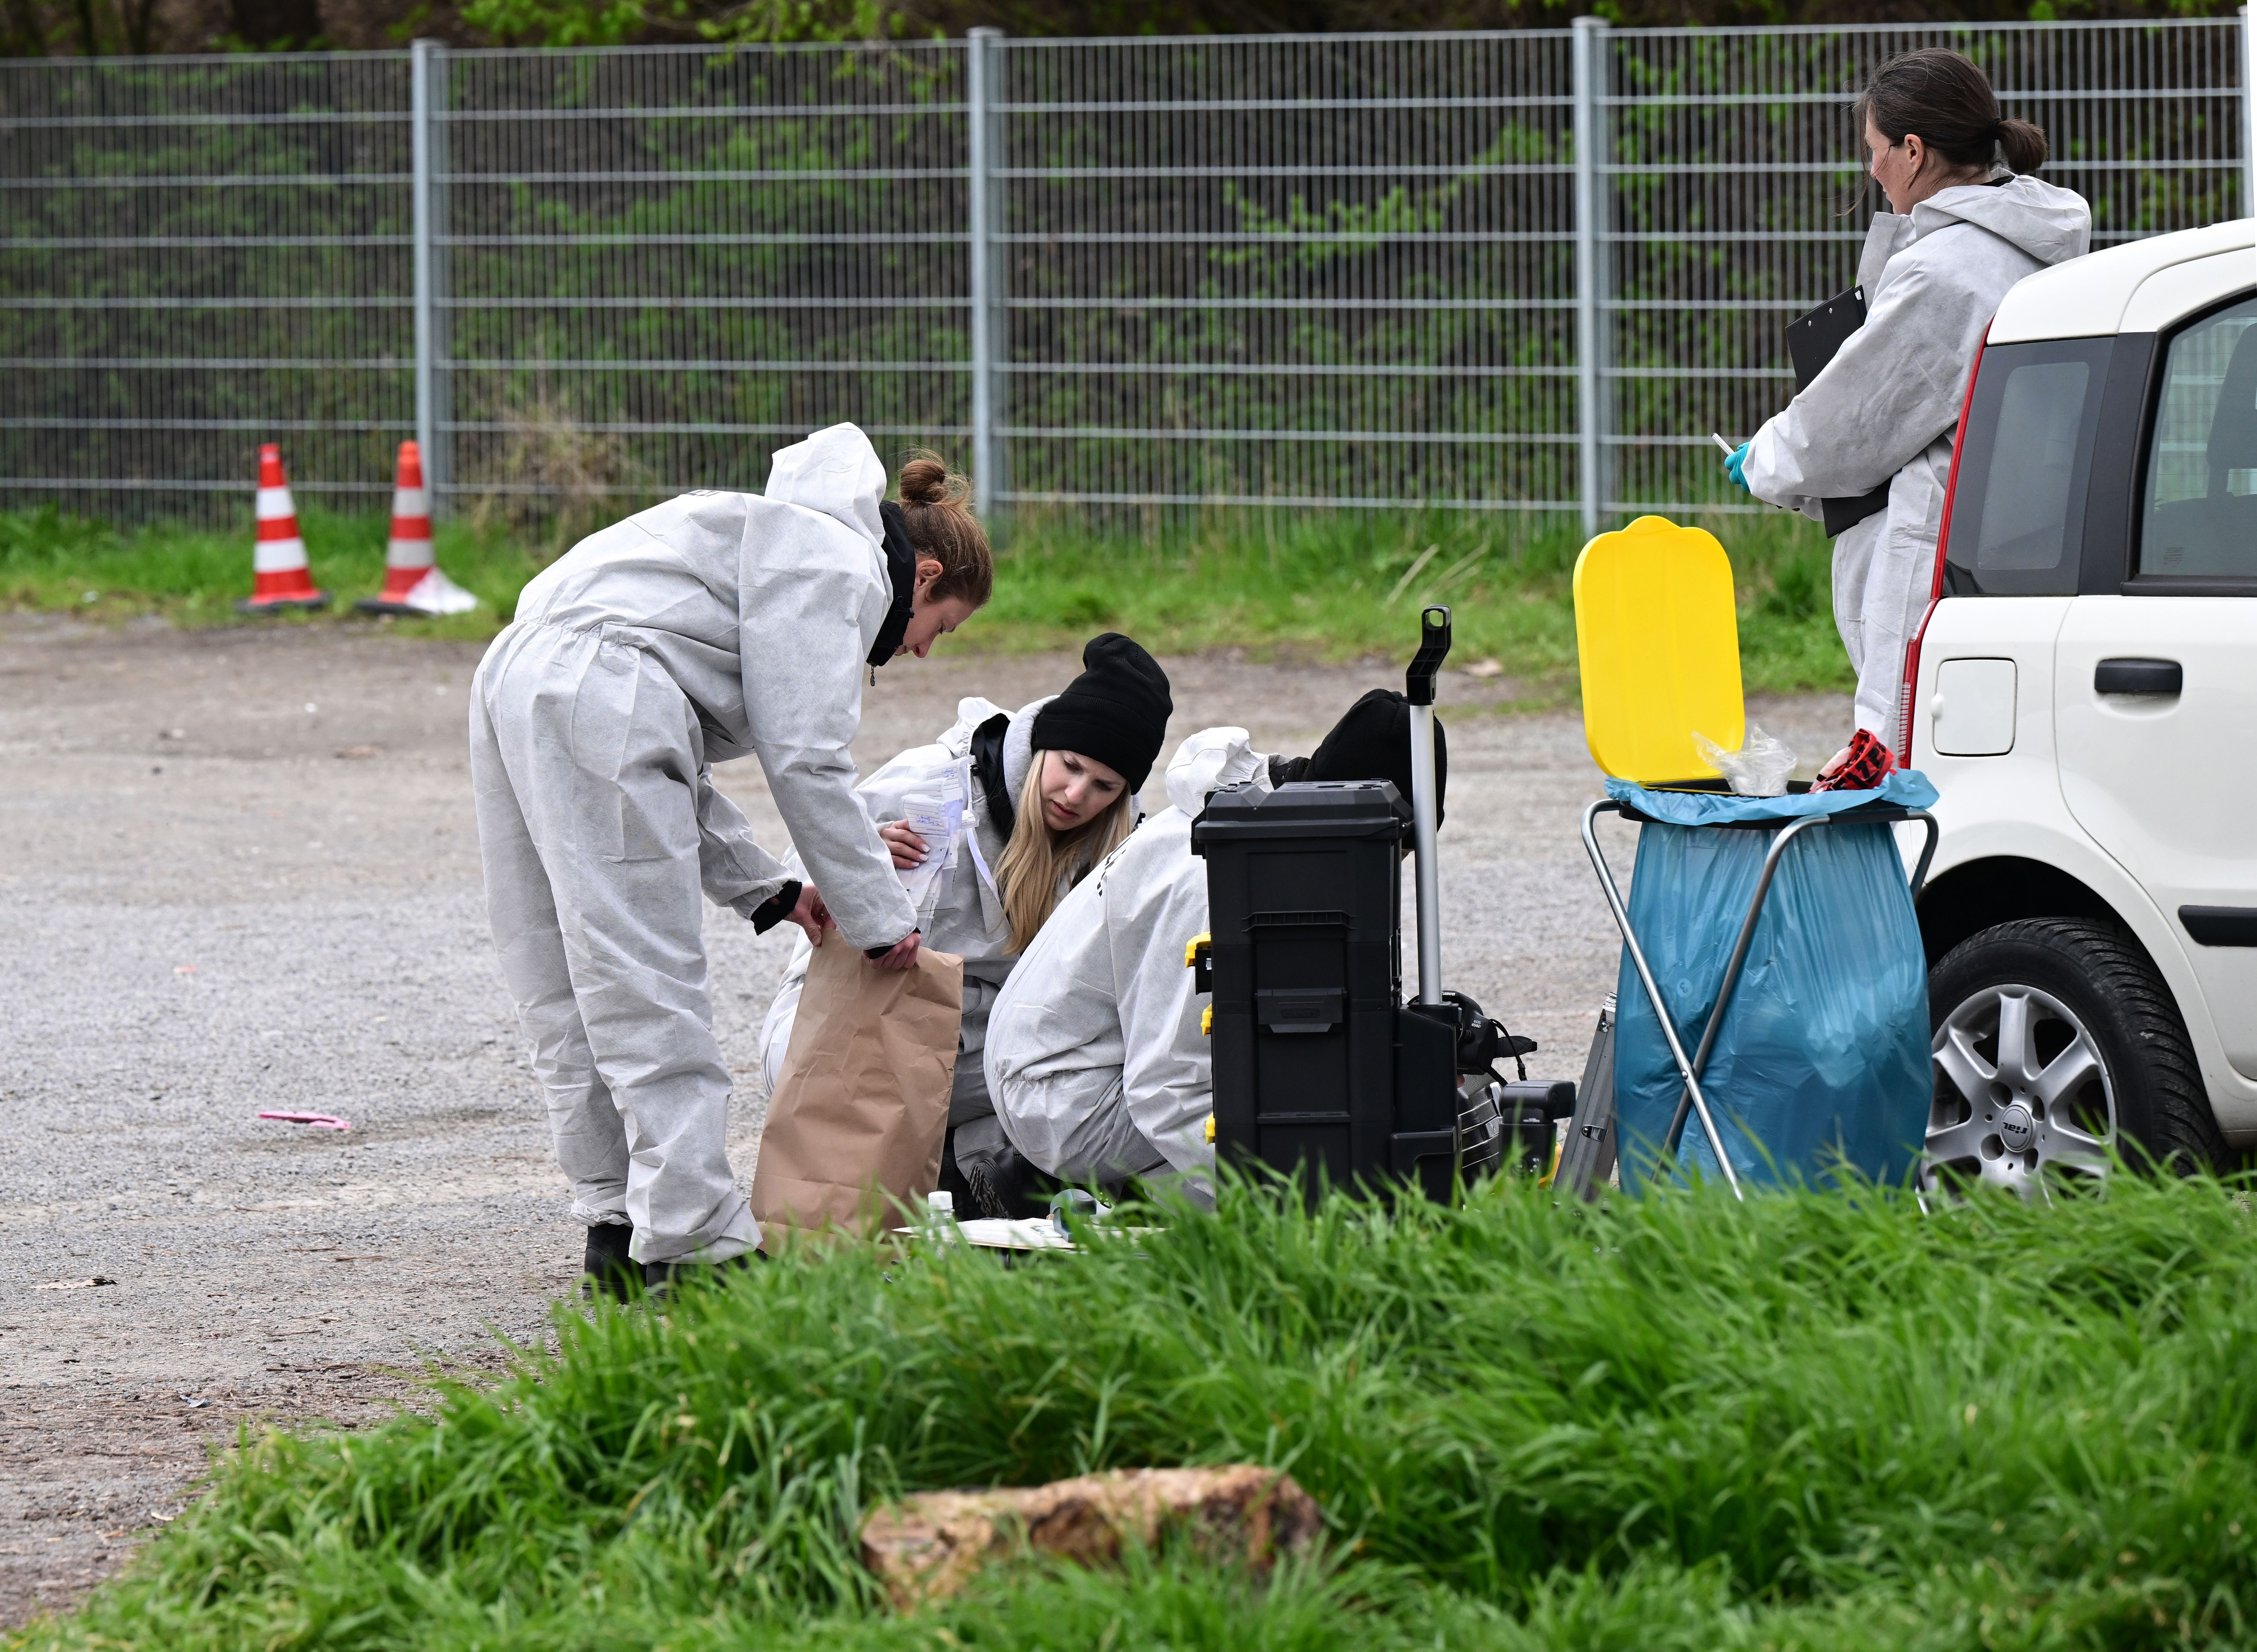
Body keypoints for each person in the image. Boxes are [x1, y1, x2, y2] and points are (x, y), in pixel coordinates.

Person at [469, 427, 993, 1295]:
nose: (924, 649)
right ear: (926, 576)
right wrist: (880, 922)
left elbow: (654, 734)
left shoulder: (767, 535)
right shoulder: (841, 562)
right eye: (940, 627)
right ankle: (697, 1248)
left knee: (561, 978)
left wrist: (778, 890)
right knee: (649, 983)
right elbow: (807, 758)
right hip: (597, 683)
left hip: (519, 670)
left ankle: (618, 1224)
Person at [1724, 48, 2090, 766]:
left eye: (1876, 150)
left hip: (1933, 563)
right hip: (2024, 549)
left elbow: (1853, 424)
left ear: (1913, 151)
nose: (1871, 170)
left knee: (1904, 766)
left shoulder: (1946, 271)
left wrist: (1766, 460)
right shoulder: (2042, 247)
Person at [755, 633, 1174, 1217]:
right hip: (863, 1024)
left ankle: (983, 1177)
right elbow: (790, 879)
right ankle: (945, 1173)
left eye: (1104, 787)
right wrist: (861, 859)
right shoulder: (933, 779)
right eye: (1071, 766)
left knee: (1111, 1062)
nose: (1077, 795)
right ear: (1045, 746)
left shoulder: (1118, 847)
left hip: (972, 1047)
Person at [984, 689, 1444, 1203]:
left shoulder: (1255, 824)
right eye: (1391, 856)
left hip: (1075, 1064)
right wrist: (1279, 1199)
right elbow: (1167, 1088)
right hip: (1061, 1099)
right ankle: (1067, 1193)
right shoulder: (1215, 878)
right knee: (1286, 1120)